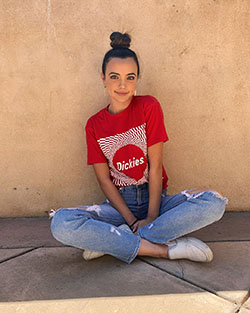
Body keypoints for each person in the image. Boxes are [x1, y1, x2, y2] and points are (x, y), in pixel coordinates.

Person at [50, 32, 228, 264]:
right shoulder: (94, 125)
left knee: (214, 201)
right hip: (119, 207)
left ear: (137, 79)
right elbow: (104, 180)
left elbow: (155, 167)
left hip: (157, 201)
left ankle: (113, 242)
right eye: (114, 77)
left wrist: (151, 216)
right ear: (103, 78)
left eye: (130, 77)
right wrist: (132, 220)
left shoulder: (148, 107)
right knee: (61, 222)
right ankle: (166, 250)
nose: (122, 85)